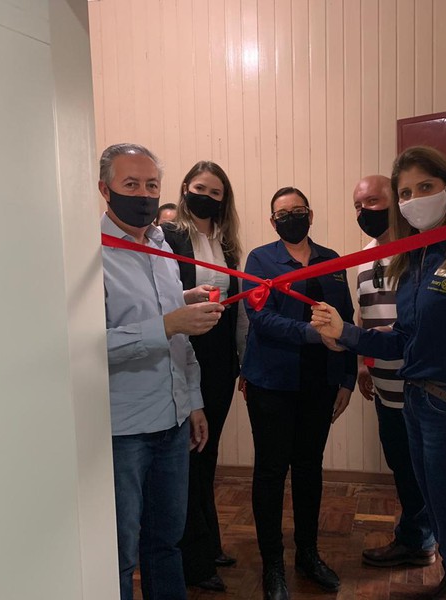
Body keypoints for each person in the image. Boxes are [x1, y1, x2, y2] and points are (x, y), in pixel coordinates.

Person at [311, 147, 446, 600]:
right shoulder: (414, 259)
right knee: (435, 509)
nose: (415, 200)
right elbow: (401, 340)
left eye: (425, 187)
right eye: (406, 193)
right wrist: (346, 334)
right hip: (416, 400)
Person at [99, 143, 225, 600]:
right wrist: (167, 323)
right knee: (118, 553)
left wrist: (193, 402)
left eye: (151, 185)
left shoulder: (161, 245)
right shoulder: (88, 254)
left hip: (172, 422)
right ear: (105, 190)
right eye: (131, 184)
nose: (144, 194)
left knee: (167, 543)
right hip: (123, 430)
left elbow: (178, 338)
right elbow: (83, 347)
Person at [240, 187, 357, 600]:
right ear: (272, 221)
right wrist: (311, 333)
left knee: (309, 468)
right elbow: (260, 317)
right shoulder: (260, 260)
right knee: (271, 472)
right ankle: (273, 564)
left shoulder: (333, 260)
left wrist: (347, 378)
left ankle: (308, 554)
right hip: (271, 383)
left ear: (310, 214)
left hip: (319, 383)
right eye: (283, 213)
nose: (291, 217)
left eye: (298, 210)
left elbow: (346, 319)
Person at [161, 161, 247, 592]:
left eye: (216, 192)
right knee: (190, 455)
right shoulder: (168, 236)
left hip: (220, 358)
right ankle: (192, 558)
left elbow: (237, 308)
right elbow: (160, 299)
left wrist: (240, 361)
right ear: (184, 189)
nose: (207, 197)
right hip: (182, 350)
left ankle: (208, 542)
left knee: (207, 453)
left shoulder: (227, 244)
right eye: (200, 188)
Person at [352, 175, 436, 568]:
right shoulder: (362, 257)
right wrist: (362, 363)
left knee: (426, 473)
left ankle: (425, 542)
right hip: (384, 384)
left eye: (372, 201)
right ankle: (415, 539)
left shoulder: (420, 249)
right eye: (358, 205)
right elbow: (364, 314)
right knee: (401, 466)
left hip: (421, 385)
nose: (364, 211)